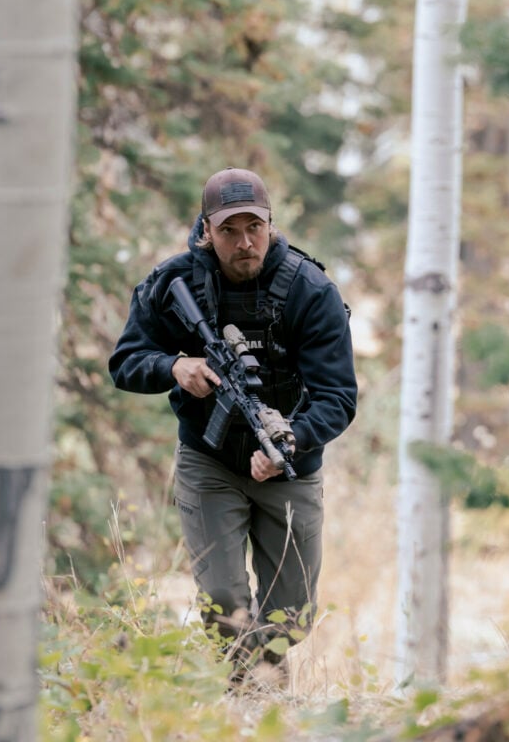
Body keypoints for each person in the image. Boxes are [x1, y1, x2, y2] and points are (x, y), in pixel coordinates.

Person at [109, 167, 357, 685]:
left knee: (291, 618)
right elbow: (126, 362)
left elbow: (338, 397)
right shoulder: (170, 284)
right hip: (209, 460)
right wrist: (174, 366)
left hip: (289, 465)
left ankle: (263, 681)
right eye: (229, 230)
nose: (245, 243)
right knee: (225, 605)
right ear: (206, 230)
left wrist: (291, 438)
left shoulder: (311, 292)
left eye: (254, 228)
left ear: (271, 223)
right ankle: (250, 704)